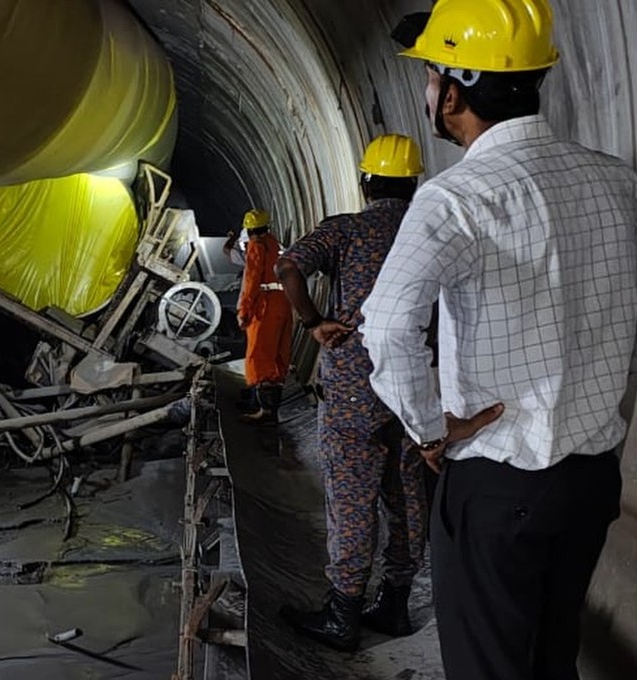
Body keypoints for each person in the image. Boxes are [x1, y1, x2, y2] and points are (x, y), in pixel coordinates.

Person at [360, 1, 637, 678]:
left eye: (428, 76)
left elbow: (390, 324)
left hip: (498, 483)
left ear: (451, 92)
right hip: (592, 477)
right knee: (550, 656)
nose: (428, 91)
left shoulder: (457, 198)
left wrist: (428, 428)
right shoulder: (617, 183)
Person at [274, 134, 428, 651]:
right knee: (406, 492)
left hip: (353, 387)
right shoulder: (429, 228)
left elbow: (288, 267)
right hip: (415, 384)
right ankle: (395, 603)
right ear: (413, 183)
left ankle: (342, 612)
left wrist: (314, 322)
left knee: (352, 496)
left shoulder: (347, 228)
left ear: (365, 182)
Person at [235, 208, 292, 424]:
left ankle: (264, 411)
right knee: (277, 355)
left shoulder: (256, 247)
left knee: (259, 355)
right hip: (283, 302)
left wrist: (244, 311)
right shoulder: (275, 245)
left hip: (265, 304)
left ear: (249, 231)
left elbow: (251, 281)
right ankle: (266, 405)